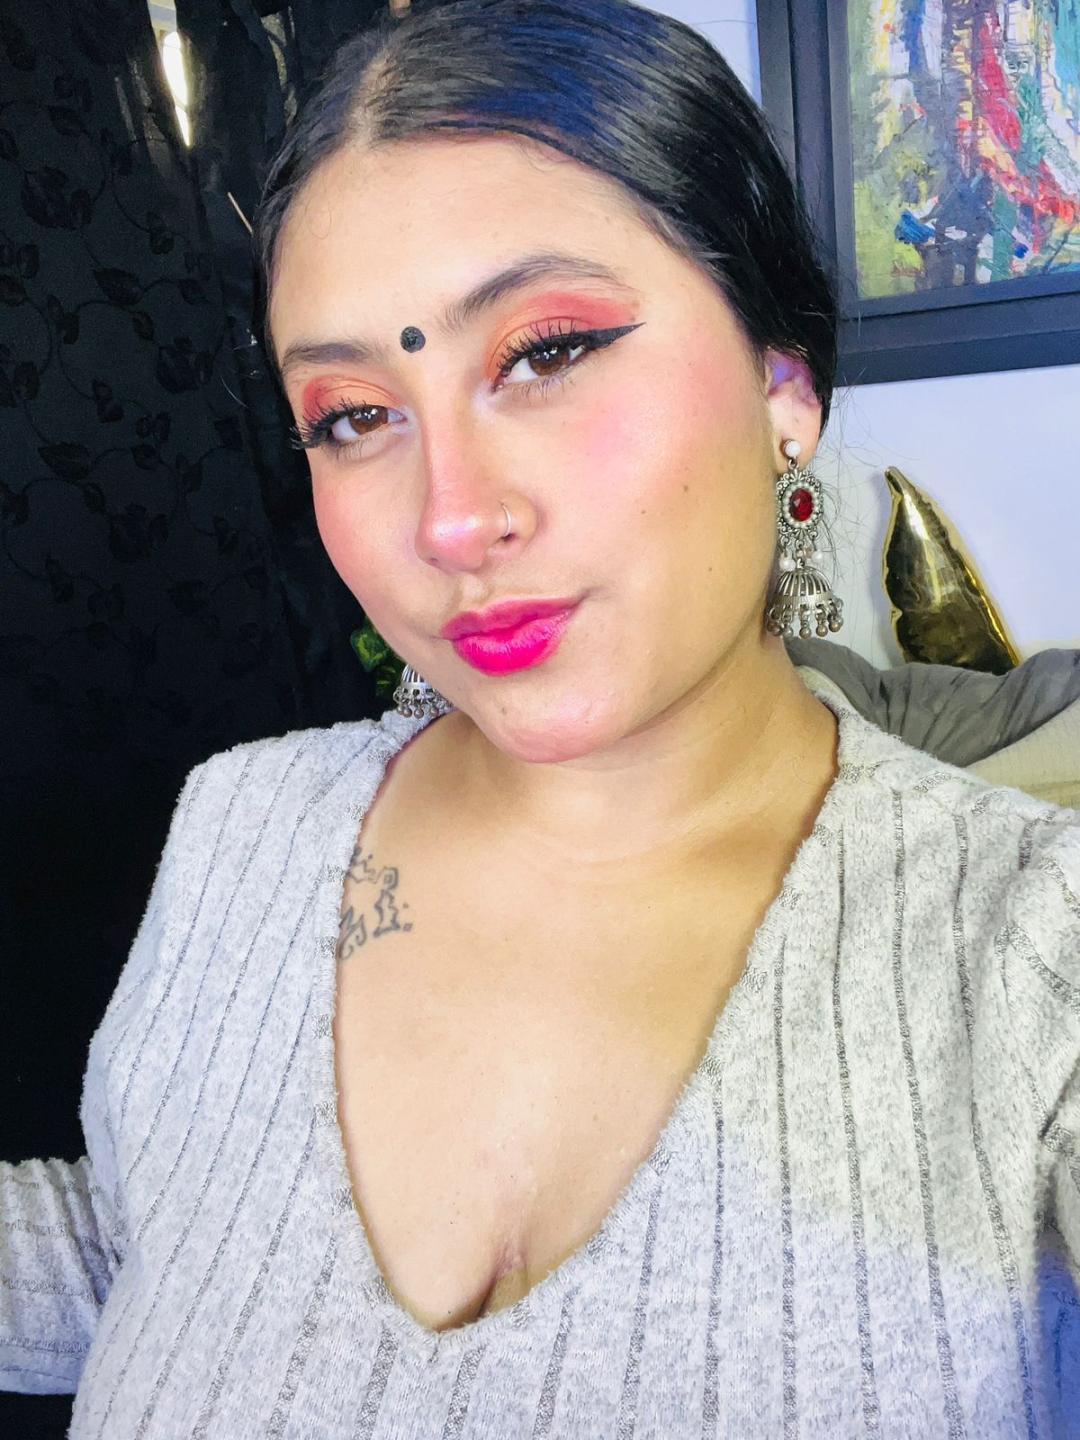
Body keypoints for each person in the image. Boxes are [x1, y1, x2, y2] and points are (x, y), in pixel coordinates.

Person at [2, 0, 1078, 1434]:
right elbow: (155, 1241)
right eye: (352, 416)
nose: (450, 519)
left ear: (785, 384)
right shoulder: (242, 822)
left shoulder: (1036, 947)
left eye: (547, 352)